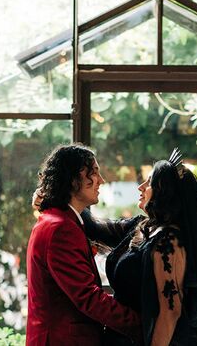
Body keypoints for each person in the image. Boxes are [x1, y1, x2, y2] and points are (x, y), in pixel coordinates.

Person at [88, 149, 197, 346]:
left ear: (164, 192)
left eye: (149, 182)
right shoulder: (141, 226)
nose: (140, 187)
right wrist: (62, 197)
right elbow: (96, 228)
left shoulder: (169, 240)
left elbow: (170, 313)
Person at [26, 144, 141, 346]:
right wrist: (142, 325)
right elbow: (88, 298)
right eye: (94, 172)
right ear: (72, 179)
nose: (101, 180)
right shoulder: (61, 228)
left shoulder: (59, 220)